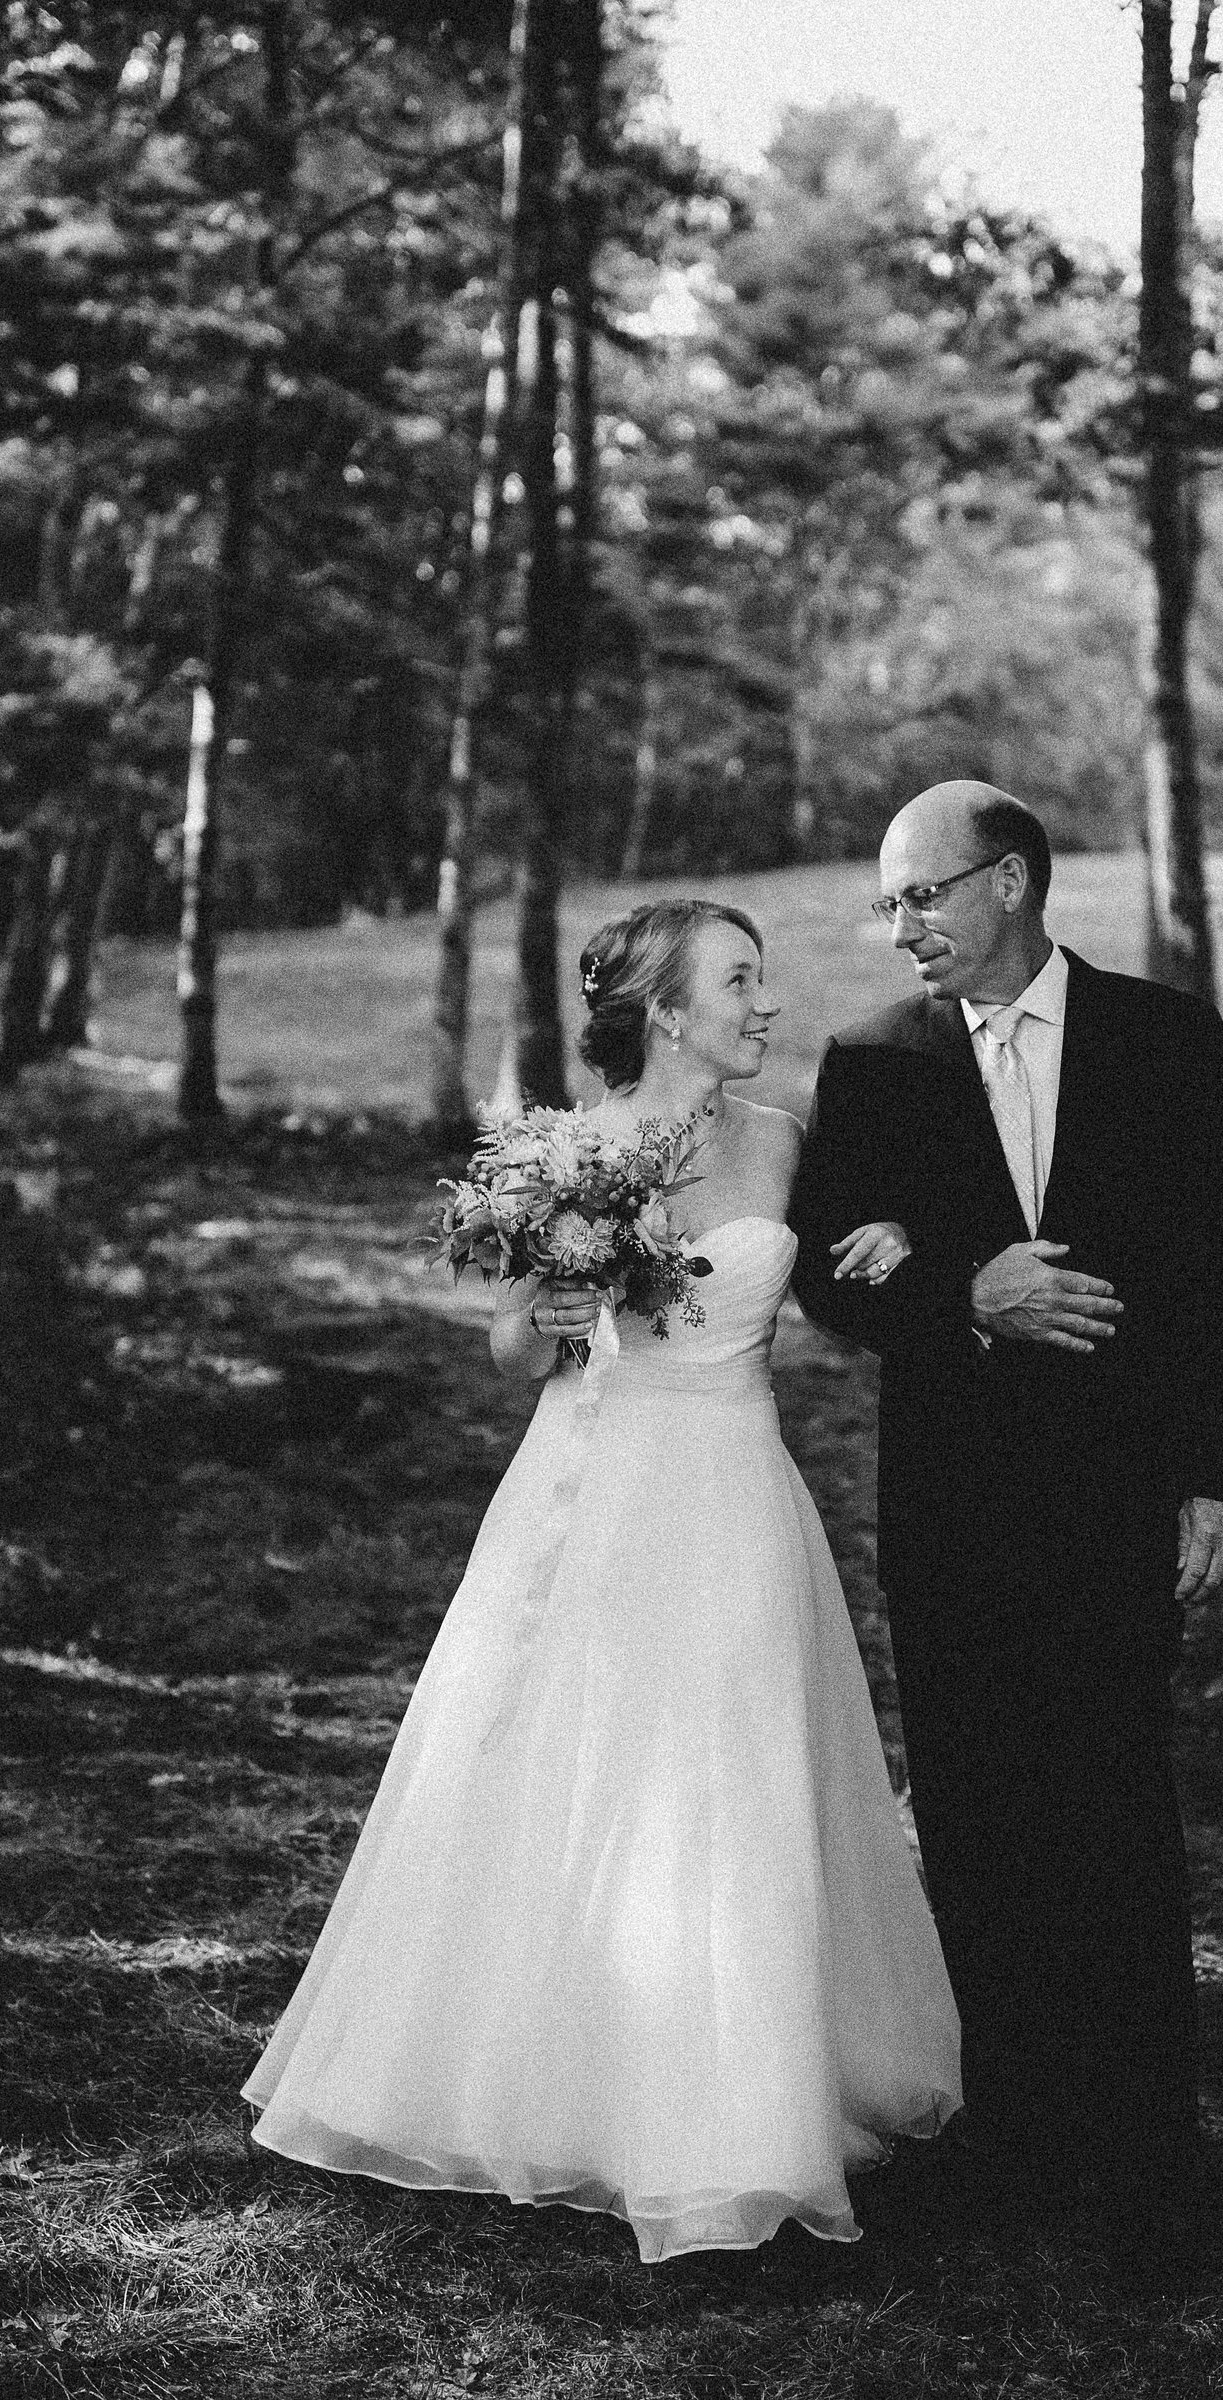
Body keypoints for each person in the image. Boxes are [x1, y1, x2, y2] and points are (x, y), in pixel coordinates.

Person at [243, 899, 960, 2262]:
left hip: (739, 1484)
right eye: (740, 982)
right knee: (569, 1759)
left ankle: (745, 2100)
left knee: (735, 1771)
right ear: (672, 1013)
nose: (767, 1003)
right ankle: (565, 2080)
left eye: (762, 978)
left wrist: (905, 1244)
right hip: (596, 1479)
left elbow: (871, 1257)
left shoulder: (786, 1143)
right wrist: (555, 1313)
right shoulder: (566, 1152)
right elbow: (514, 1347)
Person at [786, 780, 1223, 2274]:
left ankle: (1144, 2147)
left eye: (921, 894)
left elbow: (1222, 1272)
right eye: (891, 903)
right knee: (983, 1807)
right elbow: (823, 1276)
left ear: (1006, 885)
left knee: (1117, 1800)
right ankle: (1013, 2131)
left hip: (1121, 1491)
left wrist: (1222, 1478)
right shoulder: (871, 1063)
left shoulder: (1164, 1038)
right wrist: (962, 1296)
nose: (901, 925)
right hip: (954, 1502)